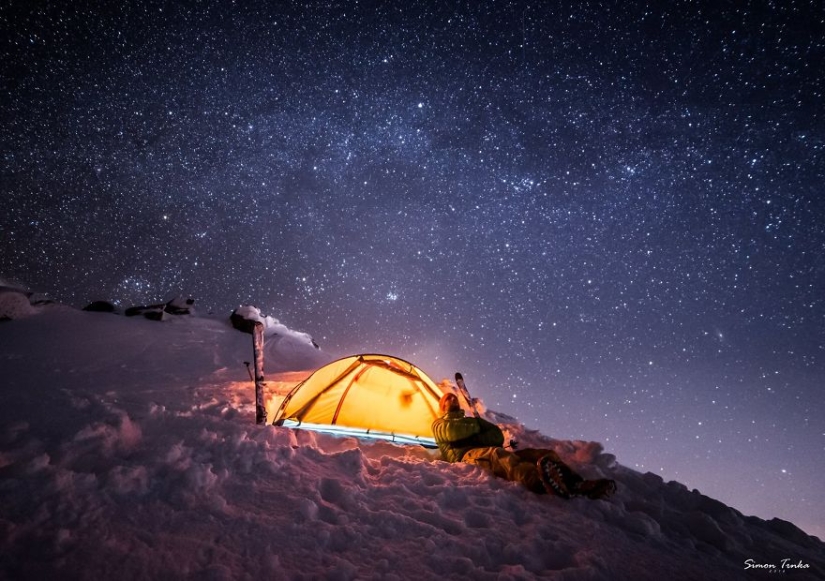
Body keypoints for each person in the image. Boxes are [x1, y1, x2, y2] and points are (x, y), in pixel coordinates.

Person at [431, 392, 616, 499]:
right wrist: (477, 428)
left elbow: (495, 435)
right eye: (447, 399)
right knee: (498, 454)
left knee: (541, 453)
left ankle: (577, 483)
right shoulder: (438, 424)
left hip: (481, 449)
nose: (452, 399)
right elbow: (453, 433)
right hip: (465, 456)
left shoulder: (470, 421)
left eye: (454, 397)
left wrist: (477, 429)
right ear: (442, 406)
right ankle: (539, 481)